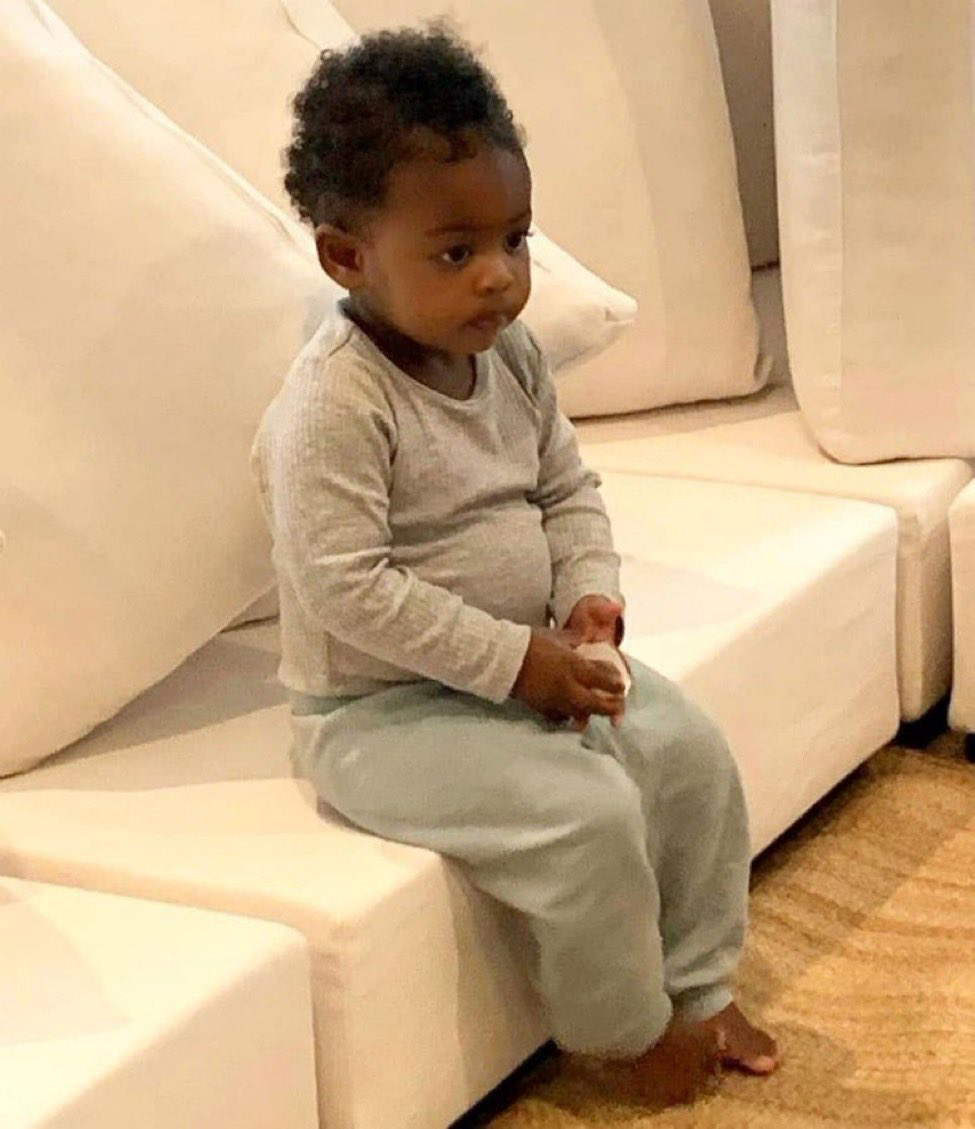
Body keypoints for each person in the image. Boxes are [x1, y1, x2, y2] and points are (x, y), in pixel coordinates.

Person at [250, 24, 778, 1106]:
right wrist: (517, 664)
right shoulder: (335, 404)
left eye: (515, 239)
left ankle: (698, 983)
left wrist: (588, 598)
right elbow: (345, 587)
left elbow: (564, 486)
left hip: (531, 666)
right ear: (347, 258)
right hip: (383, 715)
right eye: (456, 253)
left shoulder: (510, 353)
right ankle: (623, 1031)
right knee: (585, 814)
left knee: (687, 753)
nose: (499, 276)